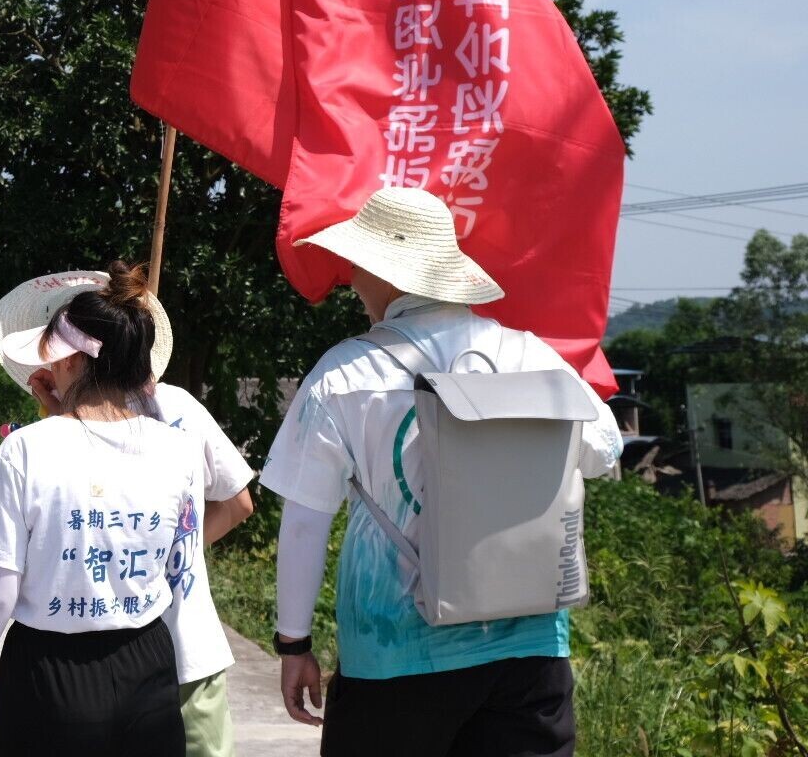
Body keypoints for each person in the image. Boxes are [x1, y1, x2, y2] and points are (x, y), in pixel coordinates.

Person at [260, 187, 623, 757]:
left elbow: (306, 520)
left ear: (384, 273)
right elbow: (604, 452)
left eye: (357, 264)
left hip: (394, 657)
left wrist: (294, 644)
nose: (351, 278)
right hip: (530, 654)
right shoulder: (529, 354)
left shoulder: (345, 374)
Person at [0, 262, 204, 757]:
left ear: (73, 358)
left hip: (49, 676)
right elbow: (178, 568)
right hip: (149, 669)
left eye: (52, 356)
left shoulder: (24, 450)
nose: (49, 368)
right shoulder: (178, 449)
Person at [17, 273, 258, 757]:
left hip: (108, 663)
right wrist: (171, 551)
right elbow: (238, 503)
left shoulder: (53, 439)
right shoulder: (177, 405)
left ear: (72, 356)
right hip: (189, 649)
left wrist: (56, 413)